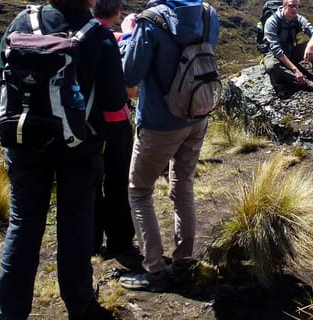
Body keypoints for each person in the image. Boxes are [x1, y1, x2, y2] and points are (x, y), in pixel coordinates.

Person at [0, 0, 127, 318]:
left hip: (23, 141)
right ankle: (80, 305)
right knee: (75, 225)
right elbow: (115, 100)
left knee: (23, 225)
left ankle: (9, 312)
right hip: (79, 148)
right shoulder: (100, 35)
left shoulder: (21, 22)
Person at [118, 0, 219, 292]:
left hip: (159, 123)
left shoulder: (150, 22)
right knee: (183, 185)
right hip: (198, 114)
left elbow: (129, 75)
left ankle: (155, 272)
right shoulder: (208, 13)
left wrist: (127, 35)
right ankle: (184, 262)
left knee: (139, 191)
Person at [91, 0, 138, 263]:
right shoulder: (117, 38)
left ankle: (91, 240)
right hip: (116, 120)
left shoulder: (80, 34)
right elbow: (129, 88)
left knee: (91, 181)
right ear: (117, 11)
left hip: (85, 123)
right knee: (118, 180)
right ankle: (119, 240)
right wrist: (129, 33)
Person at [263, 0, 313, 100]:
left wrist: (310, 45)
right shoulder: (272, 22)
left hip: (290, 51)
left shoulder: (298, 19)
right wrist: (295, 70)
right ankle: (308, 83)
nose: (294, 9)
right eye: (291, 6)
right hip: (273, 54)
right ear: (284, 6)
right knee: (271, 67)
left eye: (297, 6)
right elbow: (277, 51)